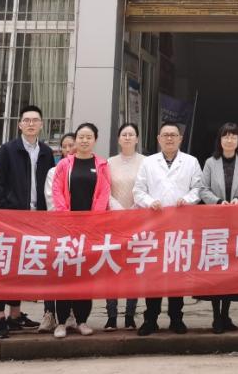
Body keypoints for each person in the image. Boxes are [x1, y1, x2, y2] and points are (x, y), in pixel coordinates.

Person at [0, 104, 53, 338]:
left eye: (35, 120)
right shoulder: (8, 150)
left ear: (41, 125)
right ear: (19, 125)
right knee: (5, 265)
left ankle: (15, 315)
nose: (31, 124)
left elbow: (50, 184)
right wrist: (4, 209)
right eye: (27, 120)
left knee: (22, 267)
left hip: (37, 217)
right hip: (12, 217)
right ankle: (0, 318)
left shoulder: (46, 152)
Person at [133, 122, 203, 335]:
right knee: (153, 274)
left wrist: (187, 199)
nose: (170, 138)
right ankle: (150, 319)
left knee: (177, 273)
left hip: (180, 227)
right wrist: (150, 202)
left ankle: (176, 318)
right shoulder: (148, 162)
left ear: (180, 138)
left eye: (173, 135)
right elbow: (138, 190)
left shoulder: (191, 161)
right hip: (154, 226)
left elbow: (198, 188)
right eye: (166, 135)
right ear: (159, 139)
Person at [50, 122, 111, 338]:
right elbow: (57, 190)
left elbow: (104, 192)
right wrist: (66, 216)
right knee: (65, 274)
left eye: (88, 137)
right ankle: (61, 322)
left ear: (95, 140)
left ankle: (82, 320)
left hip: (90, 228)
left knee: (85, 274)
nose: (84, 140)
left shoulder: (101, 165)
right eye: (81, 137)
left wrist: (94, 218)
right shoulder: (65, 164)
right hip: (66, 227)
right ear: (75, 140)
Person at [198, 122, 238, 333]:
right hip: (215, 223)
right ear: (220, 140)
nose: (229, 140)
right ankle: (216, 316)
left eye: (233, 136)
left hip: (237, 223)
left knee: (232, 271)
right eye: (226, 136)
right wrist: (217, 202)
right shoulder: (210, 162)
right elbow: (202, 189)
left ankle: (226, 314)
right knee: (216, 270)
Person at [105, 123, 145, 331]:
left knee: (133, 267)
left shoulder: (146, 162)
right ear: (119, 139)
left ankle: (130, 315)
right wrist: (119, 210)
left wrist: (134, 210)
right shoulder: (109, 163)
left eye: (131, 134)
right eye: (124, 134)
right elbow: (105, 190)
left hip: (138, 220)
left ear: (137, 139)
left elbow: (146, 188)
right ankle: (111, 316)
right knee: (112, 267)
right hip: (114, 220)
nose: (128, 137)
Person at [38, 131, 75, 334]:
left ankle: (70, 314)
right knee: (53, 271)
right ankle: (49, 313)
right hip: (57, 227)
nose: (68, 150)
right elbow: (51, 198)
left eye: (72, 146)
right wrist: (65, 218)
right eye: (65, 146)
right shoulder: (53, 171)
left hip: (79, 229)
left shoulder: (86, 169)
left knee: (73, 271)